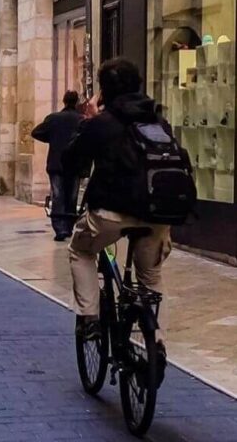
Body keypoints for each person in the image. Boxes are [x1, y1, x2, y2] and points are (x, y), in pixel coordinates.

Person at [63, 58, 177, 350]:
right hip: (156, 213)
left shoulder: (102, 123)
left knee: (80, 249)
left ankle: (89, 317)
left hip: (110, 213)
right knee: (150, 275)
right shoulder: (157, 120)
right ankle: (157, 343)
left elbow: (71, 160)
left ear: (104, 92)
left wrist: (86, 122)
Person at [31, 90, 84, 241]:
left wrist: (52, 139)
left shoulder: (54, 119)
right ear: (76, 102)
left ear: (64, 101)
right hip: (75, 164)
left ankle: (59, 228)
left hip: (57, 163)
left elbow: (36, 132)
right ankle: (68, 226)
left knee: (58, 195)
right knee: (72, 196)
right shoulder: (81, 119)